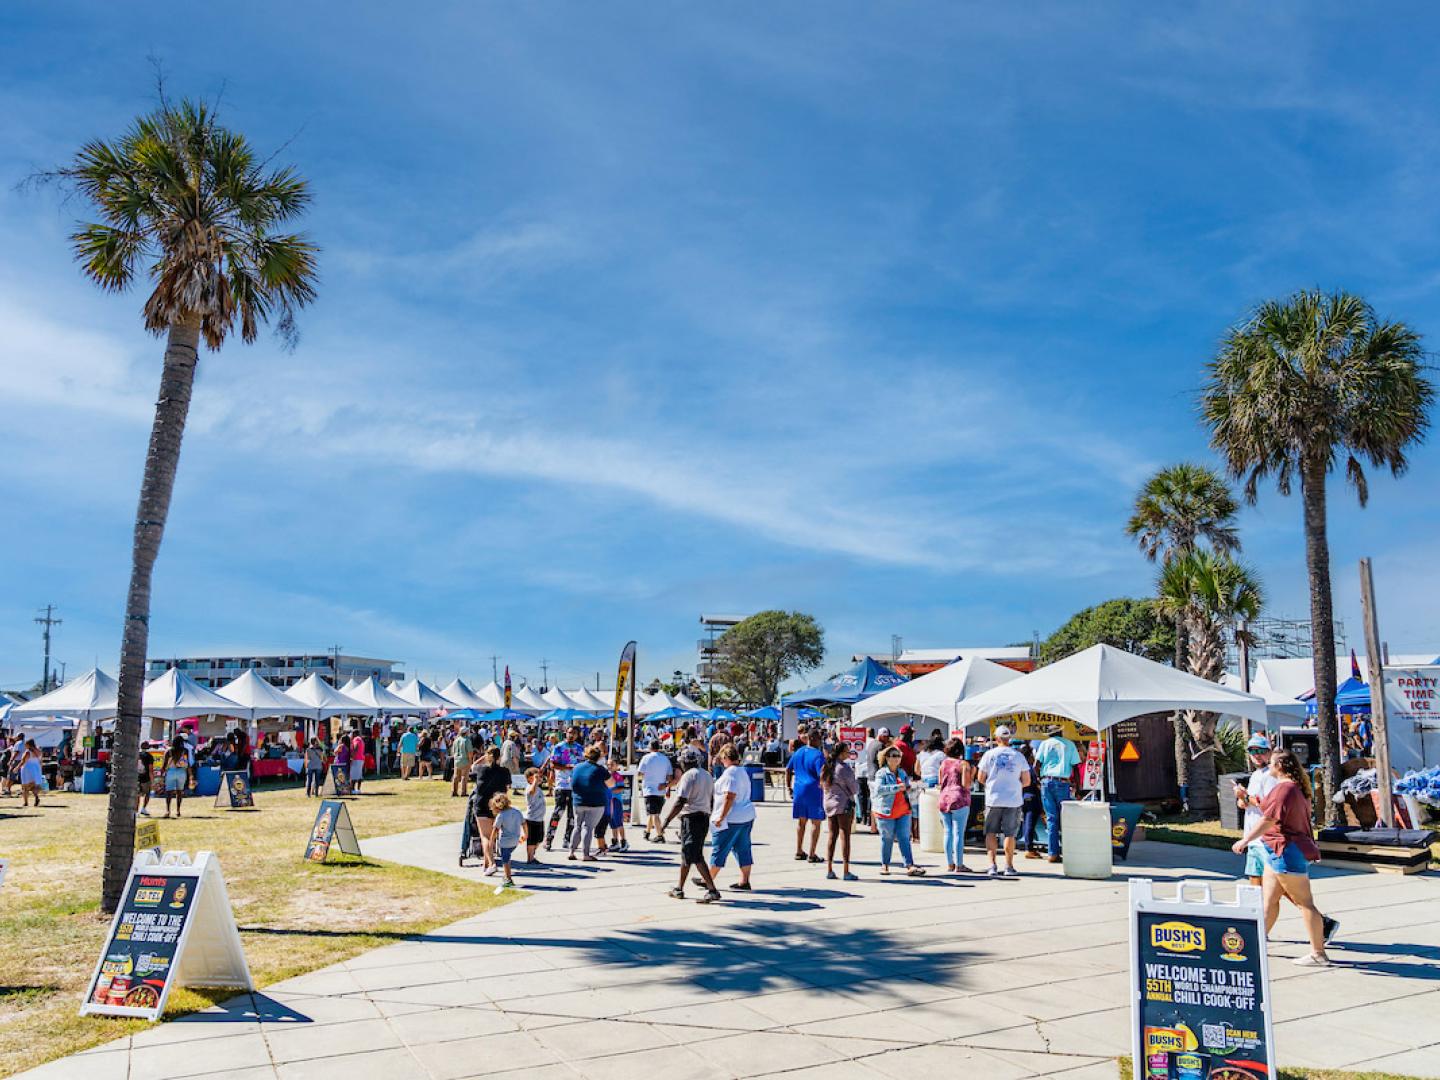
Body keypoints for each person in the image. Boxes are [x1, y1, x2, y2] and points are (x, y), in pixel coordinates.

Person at [1231, 748, 1338, 965]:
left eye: (1271, 762)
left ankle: (1319, 954)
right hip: (1277, 850)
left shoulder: (1285, 790)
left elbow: (1268, 819)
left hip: (1286, 851)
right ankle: (1256, 944)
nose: (1268, 766)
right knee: (1269, 901)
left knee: (1305, 903)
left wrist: (1245, 840)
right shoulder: (1290, 788)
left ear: (1279, 766)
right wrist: (1246, 797)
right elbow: (1267, 807)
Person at [661, 750, 722, 903]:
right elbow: (712, 799)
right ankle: (679, 888)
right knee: (687, 855)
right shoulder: (707, 775)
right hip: (703, 817)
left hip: (691, 818)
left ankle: (712, 889)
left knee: (695, 855)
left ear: (684, 763)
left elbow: (681, 801)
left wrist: (667, 821)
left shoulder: (688, 776)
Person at [977, 725, 1029, 878]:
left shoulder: (989, 754)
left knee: (990, 832)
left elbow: (980, 778)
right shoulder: (1018, 756)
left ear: (997, 738)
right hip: (1013, 799)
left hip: (993, 798)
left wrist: (991, 785)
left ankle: (992, 865)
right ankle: (1009, 866)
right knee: (1010, 834)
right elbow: (1026, 780)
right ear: (1009, 739)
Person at [710, 743, 757, 890]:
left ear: (725, 757)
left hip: (732, 818)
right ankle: (744, 880)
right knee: (743, 848)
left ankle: (708, 878)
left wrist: (721, 817)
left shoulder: (730, 774)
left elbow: (729, 796)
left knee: (719, 848)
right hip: (746, 815)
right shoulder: (742, 771)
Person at [872, 745, 924, 876]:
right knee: (887, 838)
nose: (897, 759)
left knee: (904, 838)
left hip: (903, 810)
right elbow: (878, 790)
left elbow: (906, 787)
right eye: (893, 756)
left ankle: (909, 865)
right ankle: (885, 865)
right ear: (887, 758)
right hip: (886, 811)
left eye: (899, 756)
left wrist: (913, 787)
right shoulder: (881, 773)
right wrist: (896, 787)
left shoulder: (902, 772)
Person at [1236, 733, 1279, 886]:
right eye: (1253, 751)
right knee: (1254, 883)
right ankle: (1259, 910)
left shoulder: (1270, 775)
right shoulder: (1255, 775)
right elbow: (1246, 804)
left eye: (1261, 751)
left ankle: (1310, 910)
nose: (1257, 755)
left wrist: (1245, 796)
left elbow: (1269, 806)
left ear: (1269, 752)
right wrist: (1242, 798)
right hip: (1253, 839)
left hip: (1266, 840)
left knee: (1280, 886)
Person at [1033, 725, 1080, 864]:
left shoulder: (1044, 744)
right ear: (1061, 732)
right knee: (1065, 818)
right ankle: (1068, 851)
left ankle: (1053, 853)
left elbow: (1036, 765)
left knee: (1051, 818)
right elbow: (1076, 767)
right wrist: (1077, 785)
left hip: (1047, 782)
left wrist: (1039, 780)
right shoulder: (1069, 744)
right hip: (1063, 783)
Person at [819, 741, 859, 881]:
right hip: (843, 804)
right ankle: (846, 870)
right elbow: (854, 788)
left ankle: (829, 868)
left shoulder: (826, 766)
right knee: (845, 836)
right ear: (842, 753)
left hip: (829, 804)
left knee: (832, 836)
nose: (849, 754)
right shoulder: (844, 768)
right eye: (847, 751)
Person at [471, 746, 513, 874]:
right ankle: (486, 863)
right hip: (498, 805)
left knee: (485, 836)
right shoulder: (504, 771)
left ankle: (492, 863)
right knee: (493, 836)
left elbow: (473, 766)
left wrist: (484, 757)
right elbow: (508, 786)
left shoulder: (481, 769)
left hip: (482, 804)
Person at [788, 728, 827, 863]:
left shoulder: (798, 752)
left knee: (801, 821)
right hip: (813, 790)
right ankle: (812, 853)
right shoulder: (818, 755)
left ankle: (799, 850)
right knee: (816, 822)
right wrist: (825, 786)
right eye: (818, 739)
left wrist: (789, 787)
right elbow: (821, 773)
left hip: (799, 789)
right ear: (812, 738)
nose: (820, 741)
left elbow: (788, 769)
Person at [938, 737, 975, 873]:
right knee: (958, 832)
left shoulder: (943, 763)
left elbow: (940, 781)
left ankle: (950, 863)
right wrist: (972, 773)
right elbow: (966, 784)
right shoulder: (963, 764)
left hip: (944, 798)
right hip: (959, 799)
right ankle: (959, 864)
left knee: (947, 832)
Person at [569, 744, 610, 861]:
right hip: (595, 802)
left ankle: (571, 851)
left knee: (577, 826)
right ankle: (585, 854)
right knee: (588, 827)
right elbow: (611, 783)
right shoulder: (601, 770)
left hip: (578, 801)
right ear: (599, 757)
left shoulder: (577, 767)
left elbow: (571, 781)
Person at [545, 726, 582, 851]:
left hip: (575, 785)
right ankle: (549, 838)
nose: (571, 735)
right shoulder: (559, 747)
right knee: (558, 812)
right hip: (562, 784)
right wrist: (567, 767)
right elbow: (553, 764)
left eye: (574, 733)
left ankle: (567, 839)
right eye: (570, 732)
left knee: (572, 815)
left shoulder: (579, 748)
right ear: (566, 733)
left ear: (577, 735)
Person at [638, 739, 674, 842]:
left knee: (654, 814)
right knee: (654, 812)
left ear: (650, 747)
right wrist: (666, 786)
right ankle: (647, 832)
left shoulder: (645, 758)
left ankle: (660, 835)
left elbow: (640, 773)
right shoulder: (665, 759)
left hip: (649, 789)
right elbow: (670, 777)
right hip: (661, 790)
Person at [491, 792, 524, 891]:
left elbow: (495, 829)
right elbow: (524, 823)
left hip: (505, 841)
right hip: (515, 841)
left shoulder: (501, 815)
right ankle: (506, 877)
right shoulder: (517, 811)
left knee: (505, 860)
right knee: (508, 856)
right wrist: (525, 835)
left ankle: (508, 879)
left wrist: (491, 841)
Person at [1016, 742, 1044, 859]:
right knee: (1030, 823)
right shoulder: (1029, 769)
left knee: (1026, 822)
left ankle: (1029, 846)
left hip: (1022, 797)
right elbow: (1036, 783)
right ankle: (1029, 848)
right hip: (1032, 797)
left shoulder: (1019, 768)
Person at [161, 736, 190, 818]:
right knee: (179, 792)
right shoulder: (185, 751)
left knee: (169, 792)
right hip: (181, 772)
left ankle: (168, 810)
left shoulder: (169, 751)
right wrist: (190, 774)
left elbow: (164, 765)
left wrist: (162, 774)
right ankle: (178, 810)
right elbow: (187, 763)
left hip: (171, 772)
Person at [522, 767, 546, 863]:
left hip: (539, 818)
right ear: (530, 779)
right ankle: (530, 858)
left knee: (539, 839)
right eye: (536, 776)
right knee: (531, 839)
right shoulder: (530, 788)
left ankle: (532, 853)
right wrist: (535, 781)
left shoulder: (538, 788)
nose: (539, 778)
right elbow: (531, 792)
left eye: (539, 776)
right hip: (531, 819)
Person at [855, 727, 876, 829]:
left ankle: (863, 817)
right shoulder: (874, 743)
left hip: (859, 772)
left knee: (861, 795)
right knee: (870, 796)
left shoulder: (860, 742)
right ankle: (869, 818)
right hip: (870, 772)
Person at [18, 739, 45, 808]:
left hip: (27, 769)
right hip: (36, 769)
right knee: (34, 786)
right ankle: (36, 797)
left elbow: (23, 761)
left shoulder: (28, 752)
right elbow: (41, 762)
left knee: (25, 787)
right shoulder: (39, 751)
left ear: (28, 744)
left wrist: (16, 768)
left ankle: (26, 802)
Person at [450, 725, 473, 798]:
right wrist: (470, 761)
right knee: (464, 777)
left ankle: (454, 791)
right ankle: (463, 792)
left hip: (457, 760)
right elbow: (469, 752)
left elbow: (453, 751)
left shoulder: (456, 740)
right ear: (466, 732)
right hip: (465, 759)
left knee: (456, 776)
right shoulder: (467, 740)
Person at [137, 746, 154, 817]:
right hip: (146, 778)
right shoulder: (149, 756)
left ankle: (136, 811)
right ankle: (143, 808)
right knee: (147, 794)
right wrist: (152, 780)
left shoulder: (136, 754)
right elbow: (150, 770)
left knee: (137, 796)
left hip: (137, 778)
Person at [349, 728, 366, 792]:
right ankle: (358, 789)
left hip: (356, 759)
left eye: (353, 734)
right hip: (361, 759)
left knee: (353, 775)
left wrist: (352, 756)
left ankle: (353, 789)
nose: (352, 735)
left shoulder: (356, 739)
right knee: (359, 775)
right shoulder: (361, 739)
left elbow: (356, 747)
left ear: (355, 734)